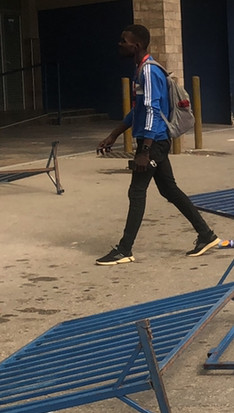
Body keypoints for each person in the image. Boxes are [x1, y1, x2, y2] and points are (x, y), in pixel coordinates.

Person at [94, 24, 219, 266]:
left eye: (124, 40)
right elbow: (138, 111)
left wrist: (145, 150)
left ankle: (125, 249)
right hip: (156, 140)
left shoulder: (149, 72)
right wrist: (114, 135)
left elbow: (151, 110)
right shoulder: (141, 70)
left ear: (136, 45)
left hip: (155, 141)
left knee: (137, 191)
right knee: (169, 190)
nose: (120, 44)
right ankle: (206, 235)